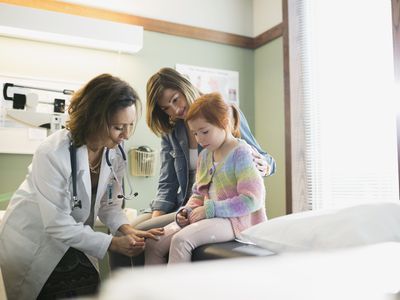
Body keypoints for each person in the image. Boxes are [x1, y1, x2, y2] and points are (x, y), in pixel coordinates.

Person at [0, 74, 163, 300]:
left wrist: (126, 229)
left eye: (130, 126)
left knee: (89, 287)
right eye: (118, 127)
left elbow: (109, 206)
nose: (125, 135)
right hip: (33, 242)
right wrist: (112, 243)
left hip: (73, 239)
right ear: (94, 119)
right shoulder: (53, 152)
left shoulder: (115, 152)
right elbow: (57, 223)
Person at [132, 67, 275, 227]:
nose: (175, 110)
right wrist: (157, 216)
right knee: (128, 231)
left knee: (143, 232)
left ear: (184, 86)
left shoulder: (220, 112)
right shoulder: (171, 129)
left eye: (175, 99)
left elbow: (266, 160)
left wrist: (265, 165)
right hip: (184, 206)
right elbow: (168, 182)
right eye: (166, 108)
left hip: (212, 206)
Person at [145, 92, 267, 264]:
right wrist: (185, 211)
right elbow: (198, 194)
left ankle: (176, 291)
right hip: (211, 216)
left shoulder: (241, 153)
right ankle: (151, 291)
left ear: (224, 123)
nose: (199, 139)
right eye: (195, 134)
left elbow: (252, 200)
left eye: (204, 132)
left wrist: (210, 209)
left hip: (236, 221)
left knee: (181, 240)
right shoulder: (206, 156)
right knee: (153, 243)